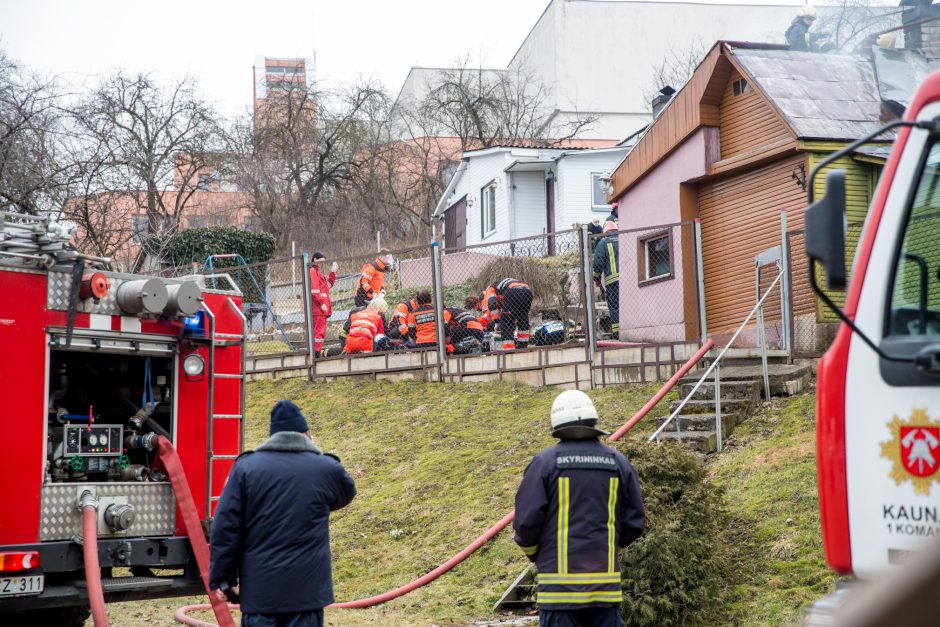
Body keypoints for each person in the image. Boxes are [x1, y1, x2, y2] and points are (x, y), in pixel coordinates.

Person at [210, 400, 356, 627]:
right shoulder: (325, 468)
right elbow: (345, 493)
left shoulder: (246, 468)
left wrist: (224, 579)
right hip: (306, 596)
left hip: (260, 595)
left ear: (272, 435)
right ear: (306, 433)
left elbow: (225, 526)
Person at [514, 390, 645, 627]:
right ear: (593, 421)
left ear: (557, 424)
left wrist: (536, 554)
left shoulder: (545, 464)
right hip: (604, 591)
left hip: (559, 593)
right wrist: (609, 547)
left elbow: (526, 522)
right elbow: (635, 521)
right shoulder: (617, 462)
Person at [479, 278, 534, 350]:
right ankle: (522, 347)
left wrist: (497, 322)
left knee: (506, 323)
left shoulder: (490, 289)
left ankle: (509, 349)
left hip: (513, 291)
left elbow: (492, 304)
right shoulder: (501, 287)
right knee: (523, 320)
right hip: (527, 291)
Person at [593, 222, 620, 339]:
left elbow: (598, 263)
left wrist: (596, 278)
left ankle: (617, 334)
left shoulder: (604, 242)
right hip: (628, 281)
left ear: (605, 233)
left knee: (614, 307)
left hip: (612, 280)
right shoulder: (624, 238)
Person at [308, 252, 337, 358]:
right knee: (319, 332)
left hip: (320, 308)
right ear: (315, 259)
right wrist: (321, 303)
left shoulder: (318, 273)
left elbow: (327, 285)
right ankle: (316, 352)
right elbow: (315, 290)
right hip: (318, 308)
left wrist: (332, 272)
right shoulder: (313, 271)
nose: (321, 264)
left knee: (320, 332)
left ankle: (316, 351)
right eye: (320, 261)